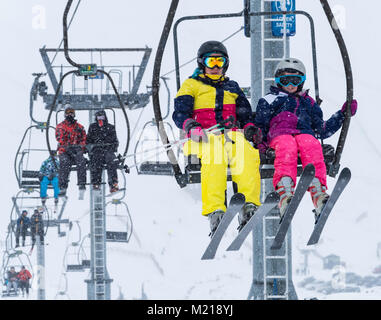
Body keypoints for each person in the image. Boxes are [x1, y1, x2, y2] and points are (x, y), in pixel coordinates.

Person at [172, 40, 263, 235]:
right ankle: (215, 210)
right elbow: (180, 113)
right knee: (215, 156)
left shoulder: (232, 87)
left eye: (219, 62)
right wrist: (191, 126)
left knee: (246, 153)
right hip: (202, 138)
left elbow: (245, 114)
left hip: (230, 135)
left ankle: (248, 206)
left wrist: (249, 128)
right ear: (201, 63)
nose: (215, 67)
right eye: (210, 62)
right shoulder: (191, 85)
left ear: (225, 64)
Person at [254, 58, 358, 221]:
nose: (290, 84)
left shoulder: (308, 103)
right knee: (287, 146)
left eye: (295, 80)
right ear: (278, 81)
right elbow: (260, 125)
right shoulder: (269, 100)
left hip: (304, 134)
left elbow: (322, 130)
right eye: (285, 80)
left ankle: (319, 194)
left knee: (312, 144)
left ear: (302, 82)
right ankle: (285, 194)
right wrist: (261, 144)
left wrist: (342, 115)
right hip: (279, 136)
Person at [55, 104, 87, 199]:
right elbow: (59, 138)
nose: (70, 115)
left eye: (71, 113)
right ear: (65, 114)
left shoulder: (79, 127)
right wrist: (67, 146)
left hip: (76, 149)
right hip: (64, 150)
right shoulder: (60, 126)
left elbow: (84, 138)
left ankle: (82, 185)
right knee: (64, 162)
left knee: (81, 161)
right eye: (68, 113)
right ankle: (63, 187)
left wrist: (81, 147)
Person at [86, 110, 120, 193]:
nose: (100, 119)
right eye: (99, 117)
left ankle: (113, 183)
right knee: (96, 159)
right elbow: (88, 140)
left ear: (105, 117)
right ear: (96, 118)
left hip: (108, 150)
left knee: (111, 160)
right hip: (97, 150)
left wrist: (108, 143)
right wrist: (92, 146)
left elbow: (115, 141)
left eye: (102, 117)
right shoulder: (93, 127)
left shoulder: (110, 127)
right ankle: (96, 182)